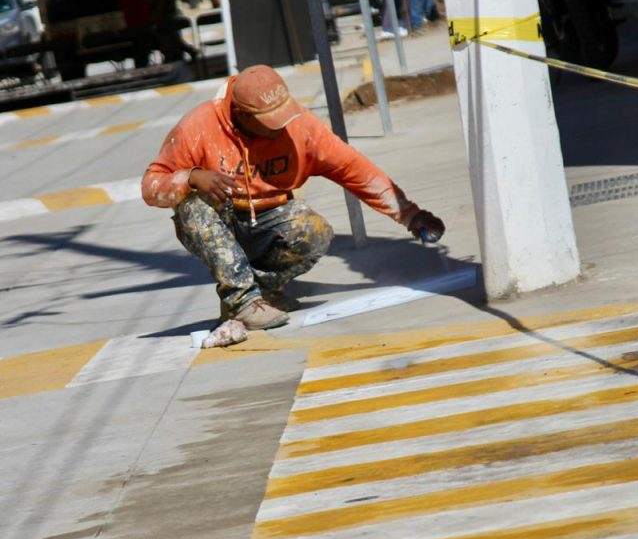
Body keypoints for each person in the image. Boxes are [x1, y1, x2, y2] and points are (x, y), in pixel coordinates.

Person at [142, 65, 445, 338]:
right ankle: (244, 300)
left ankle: (257, 292)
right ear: (242, 114)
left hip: (268, 218)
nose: (279, 126)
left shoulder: (300, 128)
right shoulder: (200, 125)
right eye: (268, 120)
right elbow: (151, 186)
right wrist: (192, 177)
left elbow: (355, 170)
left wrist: (410, 215)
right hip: (221, 222)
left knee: (315, 231)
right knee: (193, 208)